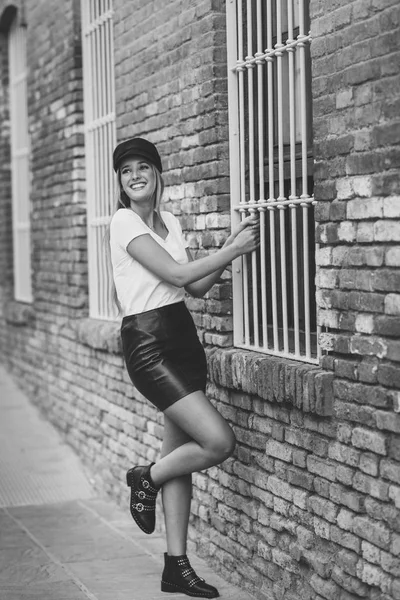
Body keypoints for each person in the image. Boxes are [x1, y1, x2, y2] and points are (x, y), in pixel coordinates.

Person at [109, 137, 259, 598]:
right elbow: (174, 275)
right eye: (126, 170)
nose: (135, 175)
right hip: (149, 345)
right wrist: (232, 253)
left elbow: (192, 287)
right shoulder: (123, 222)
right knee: (217, 441)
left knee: (181, 460)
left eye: (143, 167)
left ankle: (176, 566)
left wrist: (231, 245)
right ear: (120, 181)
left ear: (157, 173)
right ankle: (144, 478)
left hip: (182, 338)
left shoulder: (169, 221)